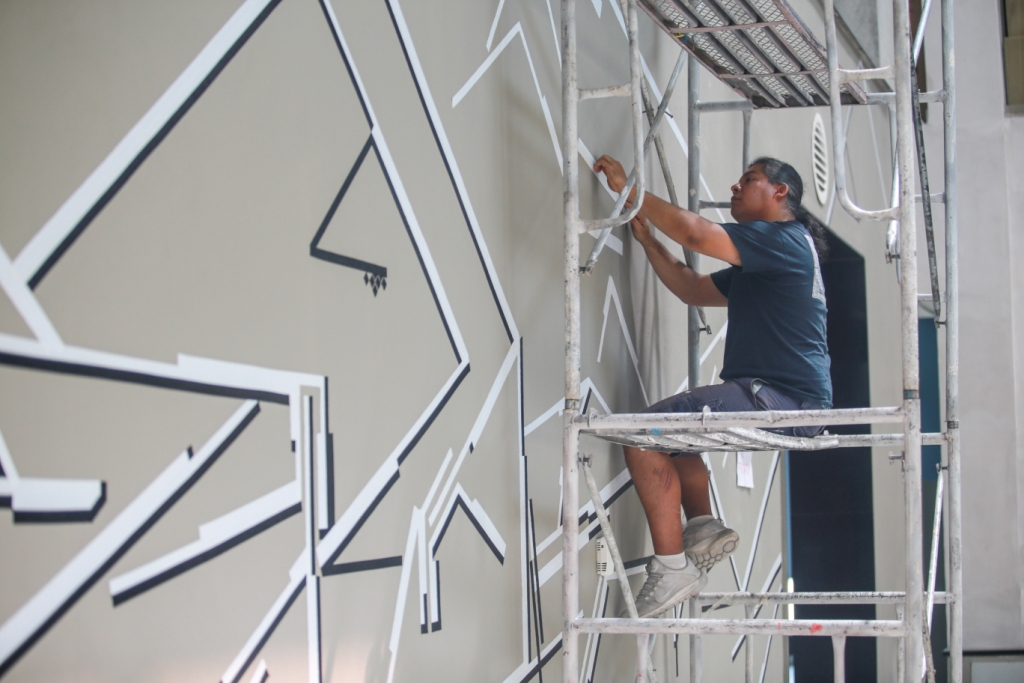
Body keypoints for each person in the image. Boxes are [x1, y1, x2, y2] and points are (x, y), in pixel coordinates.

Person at [593, 155, 833, 618]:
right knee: (675, 438)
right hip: (779, 396)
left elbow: (697, 235)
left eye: (750, 180)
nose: (735, 187)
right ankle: (702, 527)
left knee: (639, 434)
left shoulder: (784, 240)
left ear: (780, 192)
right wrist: (649, 241)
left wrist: (630, 191)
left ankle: (672, 569)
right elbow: (693, 288)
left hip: (779, 397)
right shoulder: (771, 256)